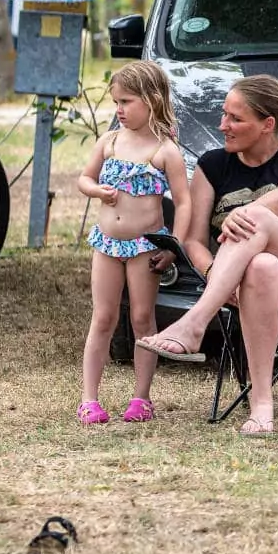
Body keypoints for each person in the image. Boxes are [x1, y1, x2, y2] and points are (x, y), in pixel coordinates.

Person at [137, 74, 278, 436]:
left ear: (268, 125)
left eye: (235, 119)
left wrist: (240, 215)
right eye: (224, 115)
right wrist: (216, 272)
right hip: (242, 280)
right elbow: (193, 241)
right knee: (262, 265)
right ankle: (262, 406)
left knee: (259, 217)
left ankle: (195, 323)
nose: (223, 125)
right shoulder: (213, 166)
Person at [74, 61, 190, 425]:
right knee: (104, 316)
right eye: (115, 103)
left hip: (144, 247)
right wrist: (96, 190)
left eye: (126, 102)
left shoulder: (165, 150)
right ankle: (89, 398)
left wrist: (173, 246)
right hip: (107, 244)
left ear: (152, 100)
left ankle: (142, 397)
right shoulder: (108, 142)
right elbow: (84, 178)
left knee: (142, 317)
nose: (119, 110)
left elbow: (184, 203)